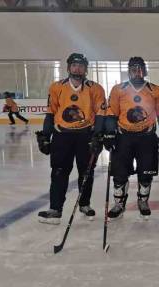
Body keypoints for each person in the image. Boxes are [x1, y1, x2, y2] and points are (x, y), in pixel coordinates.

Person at [95, 57, 159, 220]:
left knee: (146, 174)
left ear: (145, 71)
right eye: (134, 69)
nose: (137, 72)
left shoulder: (155, 90)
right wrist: (109, 133)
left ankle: (143, 201)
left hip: (147, 137)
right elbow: (111, 113)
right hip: (124, 138)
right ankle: (119, 204)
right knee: (120, 174)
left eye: (140, 69)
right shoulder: (118, 89)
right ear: (128, 71)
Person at [35, 53, 106, 224]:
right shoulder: (56, 87)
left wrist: (98, 135)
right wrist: (45, 135)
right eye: (74, 65)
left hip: (85, 135)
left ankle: (84, 204)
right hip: (62, 136)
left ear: (86, 69)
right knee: (59, 171)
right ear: (68, 68)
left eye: (81, 66)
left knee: (86, 173)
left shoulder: (95, 88)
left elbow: (101, 114)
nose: (77, 68)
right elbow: (51, 113)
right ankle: (55, 209)